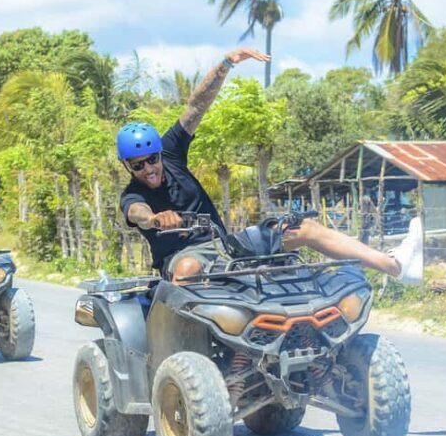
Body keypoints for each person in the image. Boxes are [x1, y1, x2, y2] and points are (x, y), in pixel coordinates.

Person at [118, 48, 423, 285]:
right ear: (128, 167)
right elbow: (138, 215)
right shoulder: (133, 197)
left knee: (303, 229)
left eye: (152, 159)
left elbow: (196, 106)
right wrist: (156, 218)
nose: (149, 169)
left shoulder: (171, 153)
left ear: (160, 153)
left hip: (227, 246)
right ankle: (194, 349)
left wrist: (226, 63)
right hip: (181, 256)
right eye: (138, 165)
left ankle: (394, 266)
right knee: (188, 270)